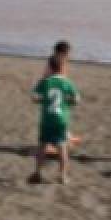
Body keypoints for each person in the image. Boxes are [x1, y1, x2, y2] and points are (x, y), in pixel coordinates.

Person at [30, 55, 80, 185]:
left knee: (42, 146)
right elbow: (76, 99)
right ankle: (62, 175)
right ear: (63, 68)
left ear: (49, 67)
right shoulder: (67, 82)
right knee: (62, 147)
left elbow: (34, 97)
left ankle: (37, 172)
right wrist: (68, 102)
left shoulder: (45, 81)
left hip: (47, 119)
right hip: (61, 120)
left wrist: (42, 100)